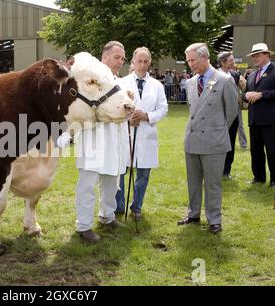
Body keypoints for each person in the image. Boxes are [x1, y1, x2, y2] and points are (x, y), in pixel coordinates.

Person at [178, 43, 238, 234]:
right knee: (193, 181)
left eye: (192, 60)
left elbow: (231, 112)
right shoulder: (190, 82)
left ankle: (214, 220)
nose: (190, 64)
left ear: (205, 58)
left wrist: (216, 130)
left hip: (214, 142)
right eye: (188, 61)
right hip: (192, 140)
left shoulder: (224, 80)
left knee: (212, 183)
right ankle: (193, 214)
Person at [74, 41, 128, 243]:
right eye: (116, 57)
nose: (120, 62)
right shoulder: (90, 80)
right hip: (92, 138)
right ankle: (84, 225)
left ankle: (108, 215)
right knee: (87, 184)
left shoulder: (121, 83)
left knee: (111, 182)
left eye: (122, 58)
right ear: (104, 56)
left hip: (114, 139)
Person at [117, 47, 168, 221]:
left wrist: (147, 116)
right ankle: (119, 206)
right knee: (121, 170)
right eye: (139, 61)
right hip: (126, 133)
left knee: (143, 173)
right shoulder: (122, 83)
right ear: (133, 62)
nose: (142, 64)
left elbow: (163, 107)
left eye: (146, 61)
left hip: (146, 134)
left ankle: (136, 206)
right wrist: (127, 120)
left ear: (150, 62)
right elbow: (115, 108)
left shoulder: (157, 85)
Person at [243, 43, 275, 188]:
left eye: (258, 55)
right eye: (253, 56)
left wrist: (262, 94)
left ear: (267, 55)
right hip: (254, 118)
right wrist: (246, 95)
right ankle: (258, 177)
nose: (255, 58)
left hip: (270, 119)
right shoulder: (252, 74)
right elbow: (246, 94)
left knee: (272, 150)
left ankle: (274, 180)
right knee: (256, 151)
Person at [217, 51, 246, 179]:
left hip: (233, 114)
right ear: (222, 62)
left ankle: (226, 171)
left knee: (230, 143)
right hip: (218, 115)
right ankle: (215, 169)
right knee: (218, 144)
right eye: (231, 60)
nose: (234, 63)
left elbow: (243, 88)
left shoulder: (235, 75)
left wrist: (243, 85)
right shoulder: (215, 75)